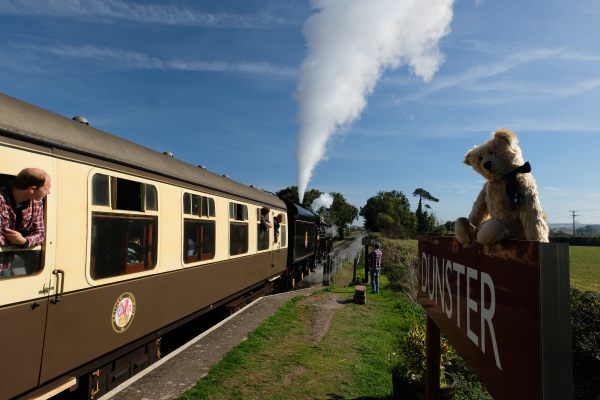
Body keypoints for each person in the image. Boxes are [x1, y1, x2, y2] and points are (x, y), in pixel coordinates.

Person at [0, 168, 51, 277]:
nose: (49, 192)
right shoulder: (1, 199)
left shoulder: (37, 203)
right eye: (46, 188)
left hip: (6, 265)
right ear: (32, 189)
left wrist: (24, 241)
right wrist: (15, 241)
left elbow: (40, 234)